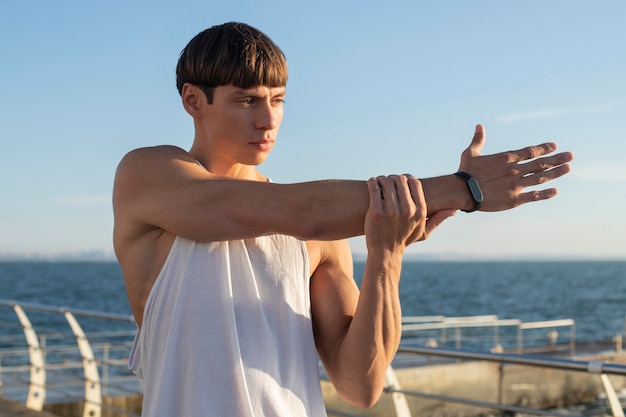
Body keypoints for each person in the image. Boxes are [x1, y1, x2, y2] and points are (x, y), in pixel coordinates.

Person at [112, 22, 573, 416]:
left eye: (278, 99)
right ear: (194, 100)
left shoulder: (324, 233)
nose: (268, 120)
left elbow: (361, 385)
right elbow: (301, 212)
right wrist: (462, 189)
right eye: (247, 101)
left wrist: (385, 255)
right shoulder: (148, 176)